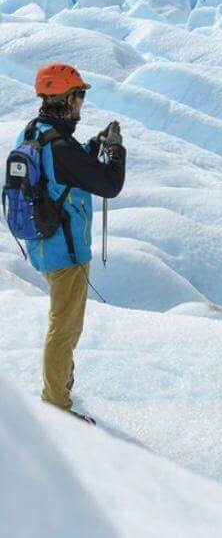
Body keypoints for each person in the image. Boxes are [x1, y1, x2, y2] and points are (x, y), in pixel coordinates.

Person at [18, 63, 126, 424]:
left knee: (63, 325)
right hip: (65, 251)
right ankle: (56, 405)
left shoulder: (36, 131)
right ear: (66, 98)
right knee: (64, 329)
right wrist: (117, 152)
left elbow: (67, 169)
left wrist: (94, 144)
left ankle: (60, 383)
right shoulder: (60, 145)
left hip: (44, 243)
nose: (82, 102)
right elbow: (109, 185)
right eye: (79, 95)